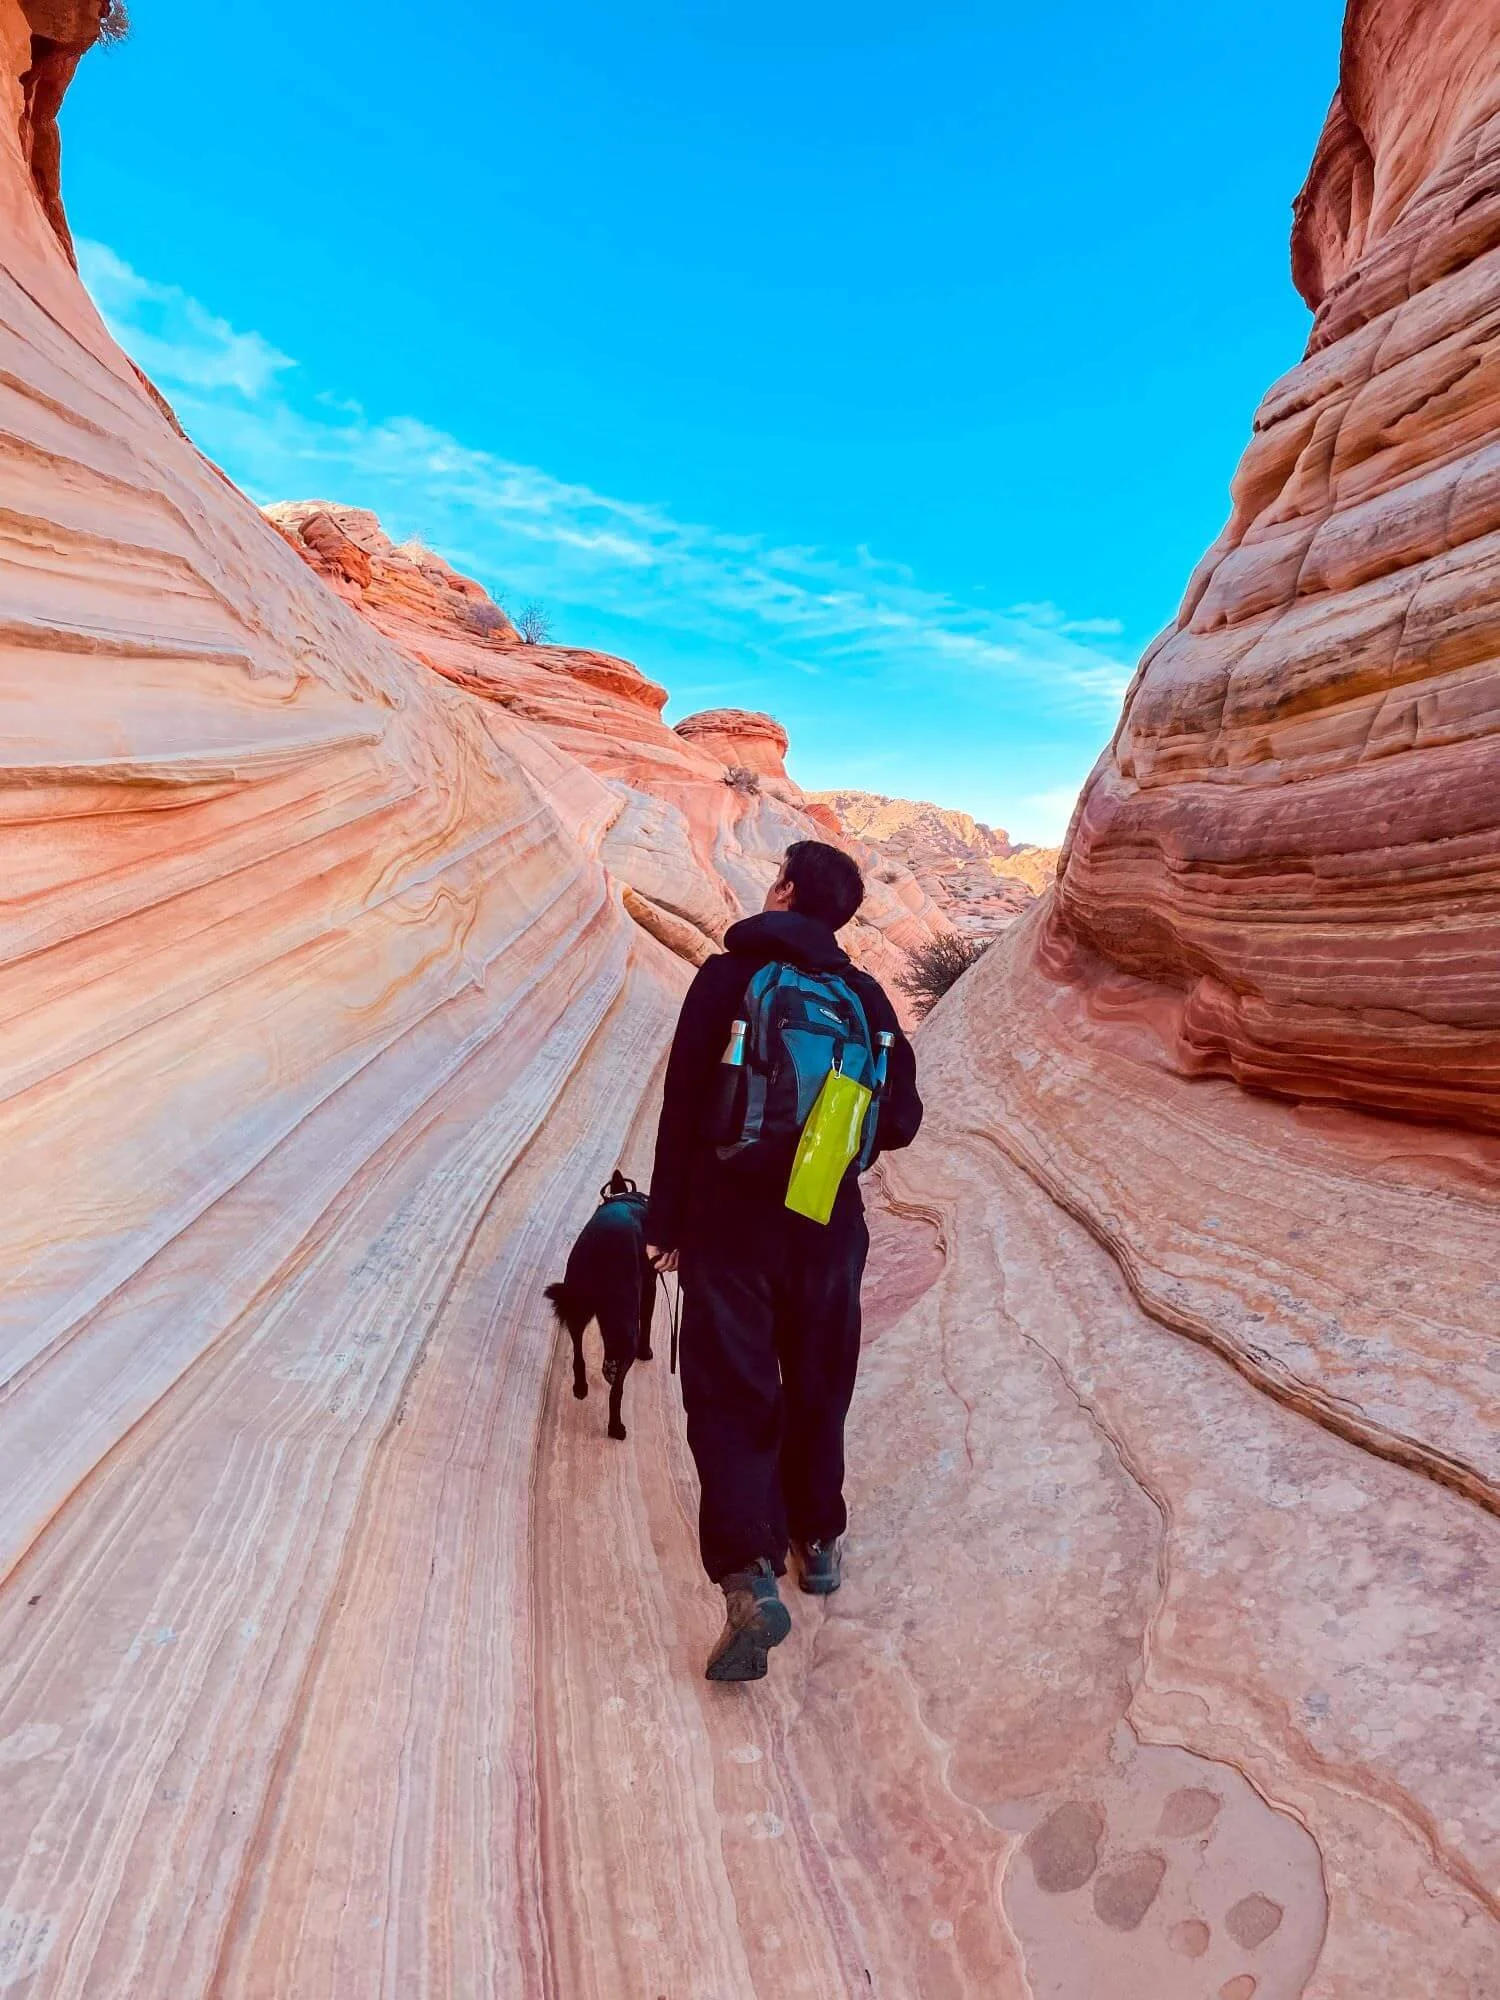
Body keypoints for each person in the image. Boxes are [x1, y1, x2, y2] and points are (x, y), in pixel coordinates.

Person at [646, 840, 923, 1682]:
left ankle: (748, 1576)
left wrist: (667, 1222)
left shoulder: (728, 979)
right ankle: (821, 1539)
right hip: (829, 1224)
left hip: (731, 1223)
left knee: (732, 1393)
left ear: (785, 891)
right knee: (818, 1378)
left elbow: (686, 1101)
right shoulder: (867, 997)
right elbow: (903, 1120)